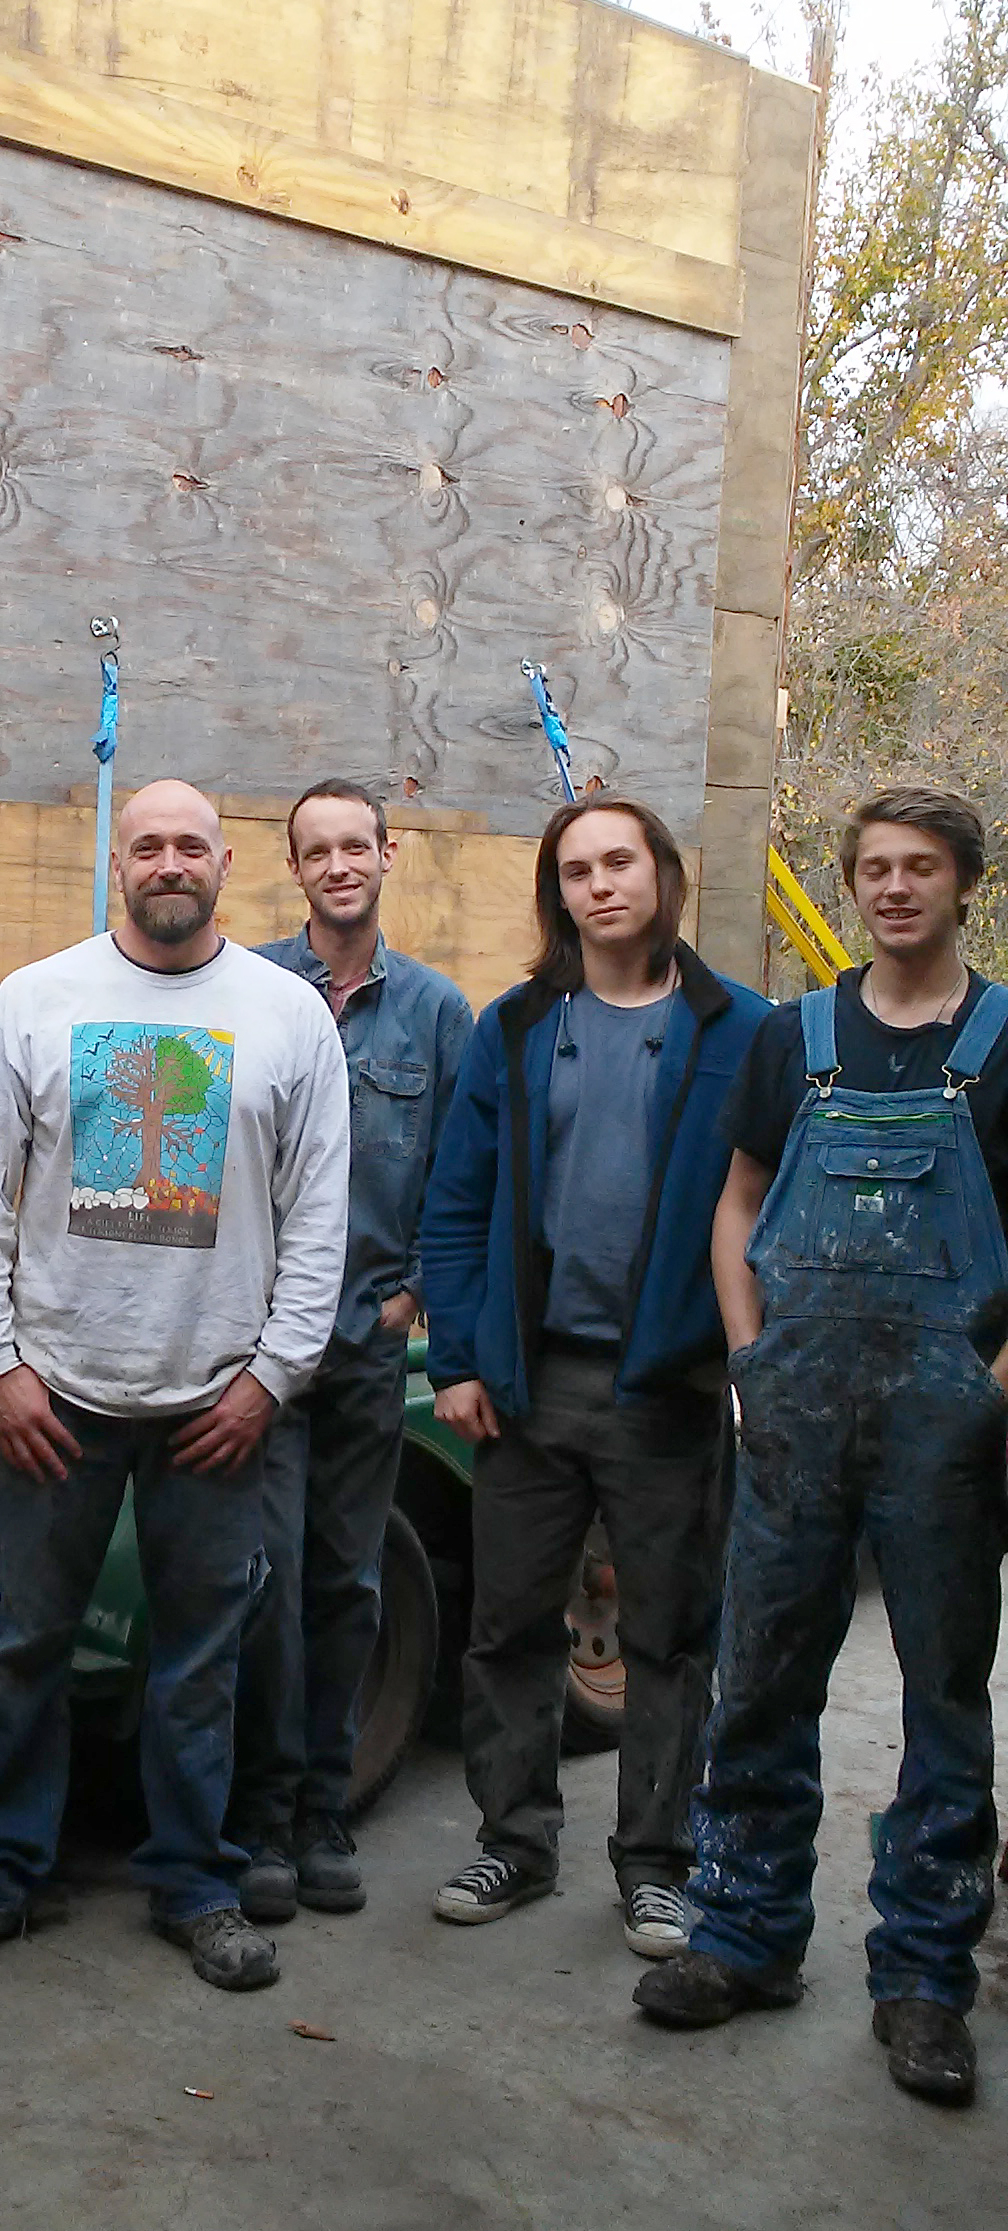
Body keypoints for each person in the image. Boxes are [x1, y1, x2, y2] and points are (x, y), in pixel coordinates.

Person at [0, 779, 351, 1994]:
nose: (169, 861)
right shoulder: (36, 1002)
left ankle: (195, 1881)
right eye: (147, 843)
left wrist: (270, 1379)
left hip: (216, 1404)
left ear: (227, 865)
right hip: (54, 1396)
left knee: (200, 1660)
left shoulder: (286, 1016)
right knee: (26, 1648)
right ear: (118, 861)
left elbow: (322, 1217)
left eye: (191, 845)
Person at [636, 789, 1008, 2110]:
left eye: (922, 868)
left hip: (944, 1429)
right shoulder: (796, 1037)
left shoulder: (1004, 1038)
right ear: (852, 887)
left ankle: (922, 1975)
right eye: (874, 869)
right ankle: (741, 1934)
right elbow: (737, 1199)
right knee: (761, 1675)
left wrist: (986, 1380)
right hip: (794, 1410)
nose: (895, 888)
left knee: (943, 1700)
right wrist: (746, 1353)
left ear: (966, 881)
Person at [420, 794, 766, 1958]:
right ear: (557, 894)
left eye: (620, 860)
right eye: (577, 870)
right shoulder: (516, 1028)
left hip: (664, 1387)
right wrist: (460, 1359)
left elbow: (771, 1206)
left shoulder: (742, 1031)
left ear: (663, 874)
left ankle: (658, 1865)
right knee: (510, 1621)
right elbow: (457, 1203)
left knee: (668, 1634)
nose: (600, 884)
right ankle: (514, 1840)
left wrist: (742, 1356)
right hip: (530, 1381)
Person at [234, 780, 472, 1921]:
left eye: (355, 845)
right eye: (315, 849)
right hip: (250, 1346)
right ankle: (263, 1814)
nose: (338, 864)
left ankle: (325, 1809)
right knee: (262, 1579)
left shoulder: (435, 1014)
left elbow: (461, 1172)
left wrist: (414, 1294)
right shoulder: (243, 990)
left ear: (388, 854)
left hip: (365, 1340)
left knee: (346, 1579)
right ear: (297, 868)